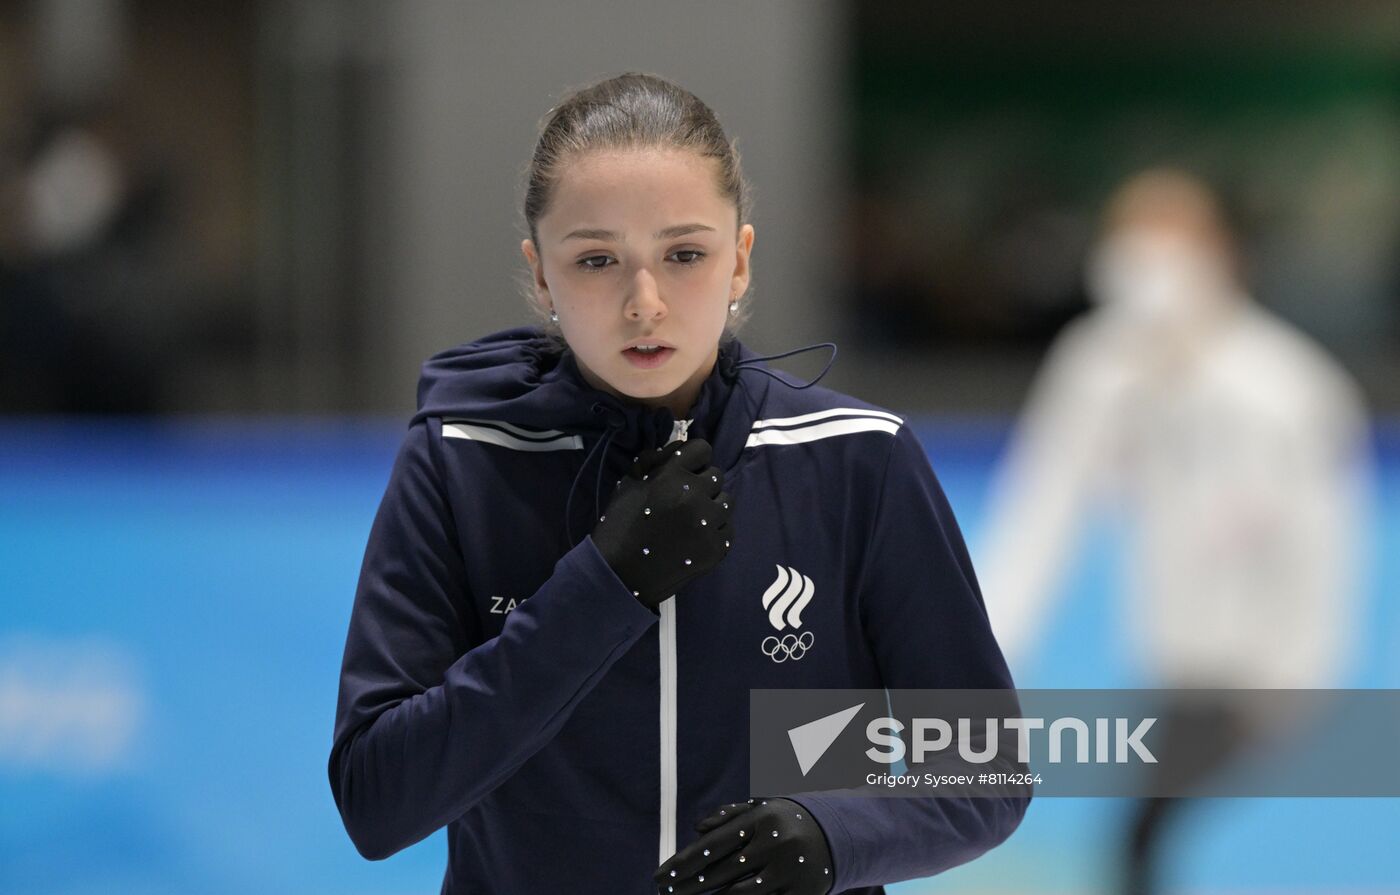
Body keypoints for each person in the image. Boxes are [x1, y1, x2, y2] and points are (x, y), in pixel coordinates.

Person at [328, 72, 1028, 894]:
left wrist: (836, 835)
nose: (644, 302)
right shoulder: (463, 459)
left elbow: (987, 777)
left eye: (685, 253)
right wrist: (602, 587)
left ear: (739, 261)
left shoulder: (856, 460)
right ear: (542, 276)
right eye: (596, 259)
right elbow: (378, 800)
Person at [975, 168, 1371, 895]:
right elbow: (1044, 508)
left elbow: (1325, 551)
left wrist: (1295, 678)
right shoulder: (1101, 365)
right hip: (1169, 655)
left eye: (1166, 245)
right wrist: (984, 646)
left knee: (1145, 837)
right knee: (1134, 843)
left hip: (1258, 671)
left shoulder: (1288, 389)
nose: (1144, 268)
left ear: (1218, 253)